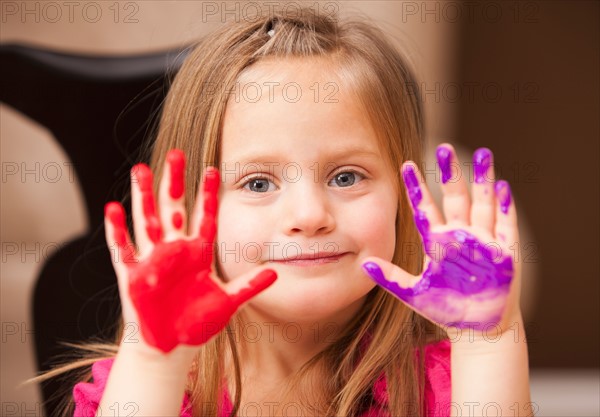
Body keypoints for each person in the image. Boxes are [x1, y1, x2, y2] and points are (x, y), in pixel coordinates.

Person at [43, 6, 532, 417]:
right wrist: (154, 362)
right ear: (196, 211)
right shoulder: (154, 391)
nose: (309, 214)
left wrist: (488, 343)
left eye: (346, 177)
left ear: (404, 197)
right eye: (258, 182)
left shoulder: (439, 386)